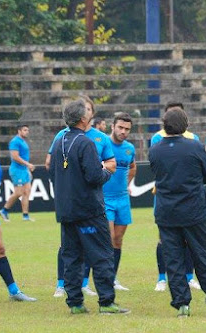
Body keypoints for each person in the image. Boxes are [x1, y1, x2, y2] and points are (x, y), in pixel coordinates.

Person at [49, 99, 129, 315]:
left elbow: (52, 173)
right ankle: (106, 303)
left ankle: (75, 303)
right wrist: (108, 171)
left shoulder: (59, 141)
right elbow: (95, 176)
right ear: (84, 119)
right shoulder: (86, 143)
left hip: (66, 210)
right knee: (102, 254)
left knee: (72, 256)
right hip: (89, 211)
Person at [149, 107, 206, 317]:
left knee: (173, 259)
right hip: (194, 211)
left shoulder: (155, 149)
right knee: (202, 256)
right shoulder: (195, 147)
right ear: (186, 125)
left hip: (167, 212)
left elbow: (157, 175)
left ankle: (182, 304)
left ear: (164, 126)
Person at [151, 101, 201, 292]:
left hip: (187, 197)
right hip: (165, 195)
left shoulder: (193, 138)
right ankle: (162, 278)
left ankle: (189, 277)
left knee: (188, 238)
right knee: (164, 238)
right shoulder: (156, 138)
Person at [104, 113, 136, 291]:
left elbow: (132, 167)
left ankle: (113, 278)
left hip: (122, 199)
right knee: (107, 239)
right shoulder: (102, 144)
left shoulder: (129, 148)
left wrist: (127, 185)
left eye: (127, 129)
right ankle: (101, 279)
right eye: (120, 128)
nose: (123, 132)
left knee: (118, 240)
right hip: (105, 199)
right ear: (113, 127)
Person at [0, 124, 35, 222]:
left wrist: (27, 169)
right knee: (18, 192)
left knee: (27, 192)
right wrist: (28, 164)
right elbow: (15, 157)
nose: (27, 132)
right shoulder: (15, 142)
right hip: (17, 170)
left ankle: (25, 216)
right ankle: (4, 210)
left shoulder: (23, 142)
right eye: (25, 130)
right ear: (19, 131)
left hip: (24, 170)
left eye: (27, 130)